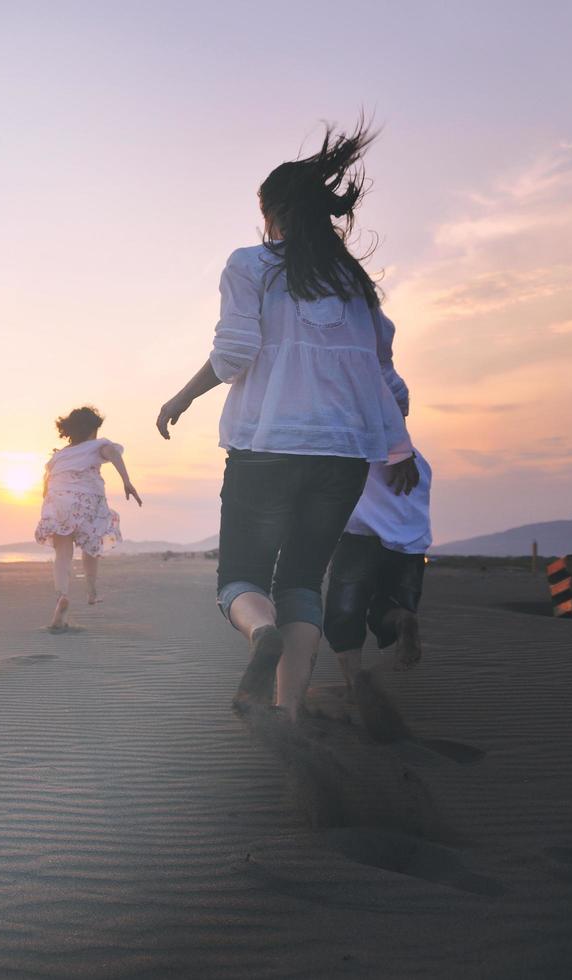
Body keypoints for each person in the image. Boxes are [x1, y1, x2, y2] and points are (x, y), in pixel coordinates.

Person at [154, 119, 419, 719]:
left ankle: (258, 635)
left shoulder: (250, 265)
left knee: (241, 577)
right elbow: (388, 383)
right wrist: (397, 448)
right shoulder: (357, 287)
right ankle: (290, 714)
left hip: (266, 447)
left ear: (273, 212)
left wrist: (182, 397)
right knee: (302, 578)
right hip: (342, 458)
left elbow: (234, 353)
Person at [325, 447, 432, 689]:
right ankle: (402, 618)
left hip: (358, 538)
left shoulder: (356, 450)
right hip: (410, 546)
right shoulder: (420, 465)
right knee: (388, 606)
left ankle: (356, 686)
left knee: (344, 616)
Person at [34, 406, 142, 631]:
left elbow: (46, 483)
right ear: (93, 429)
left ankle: (62, 596)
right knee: (91, 546)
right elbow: (112, 452)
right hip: (87, 500)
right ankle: (91, 591)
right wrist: (126, 480)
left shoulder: (59, 455)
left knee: (62, 554)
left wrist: (50, 505)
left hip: (59, 500)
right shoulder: (98, 445)